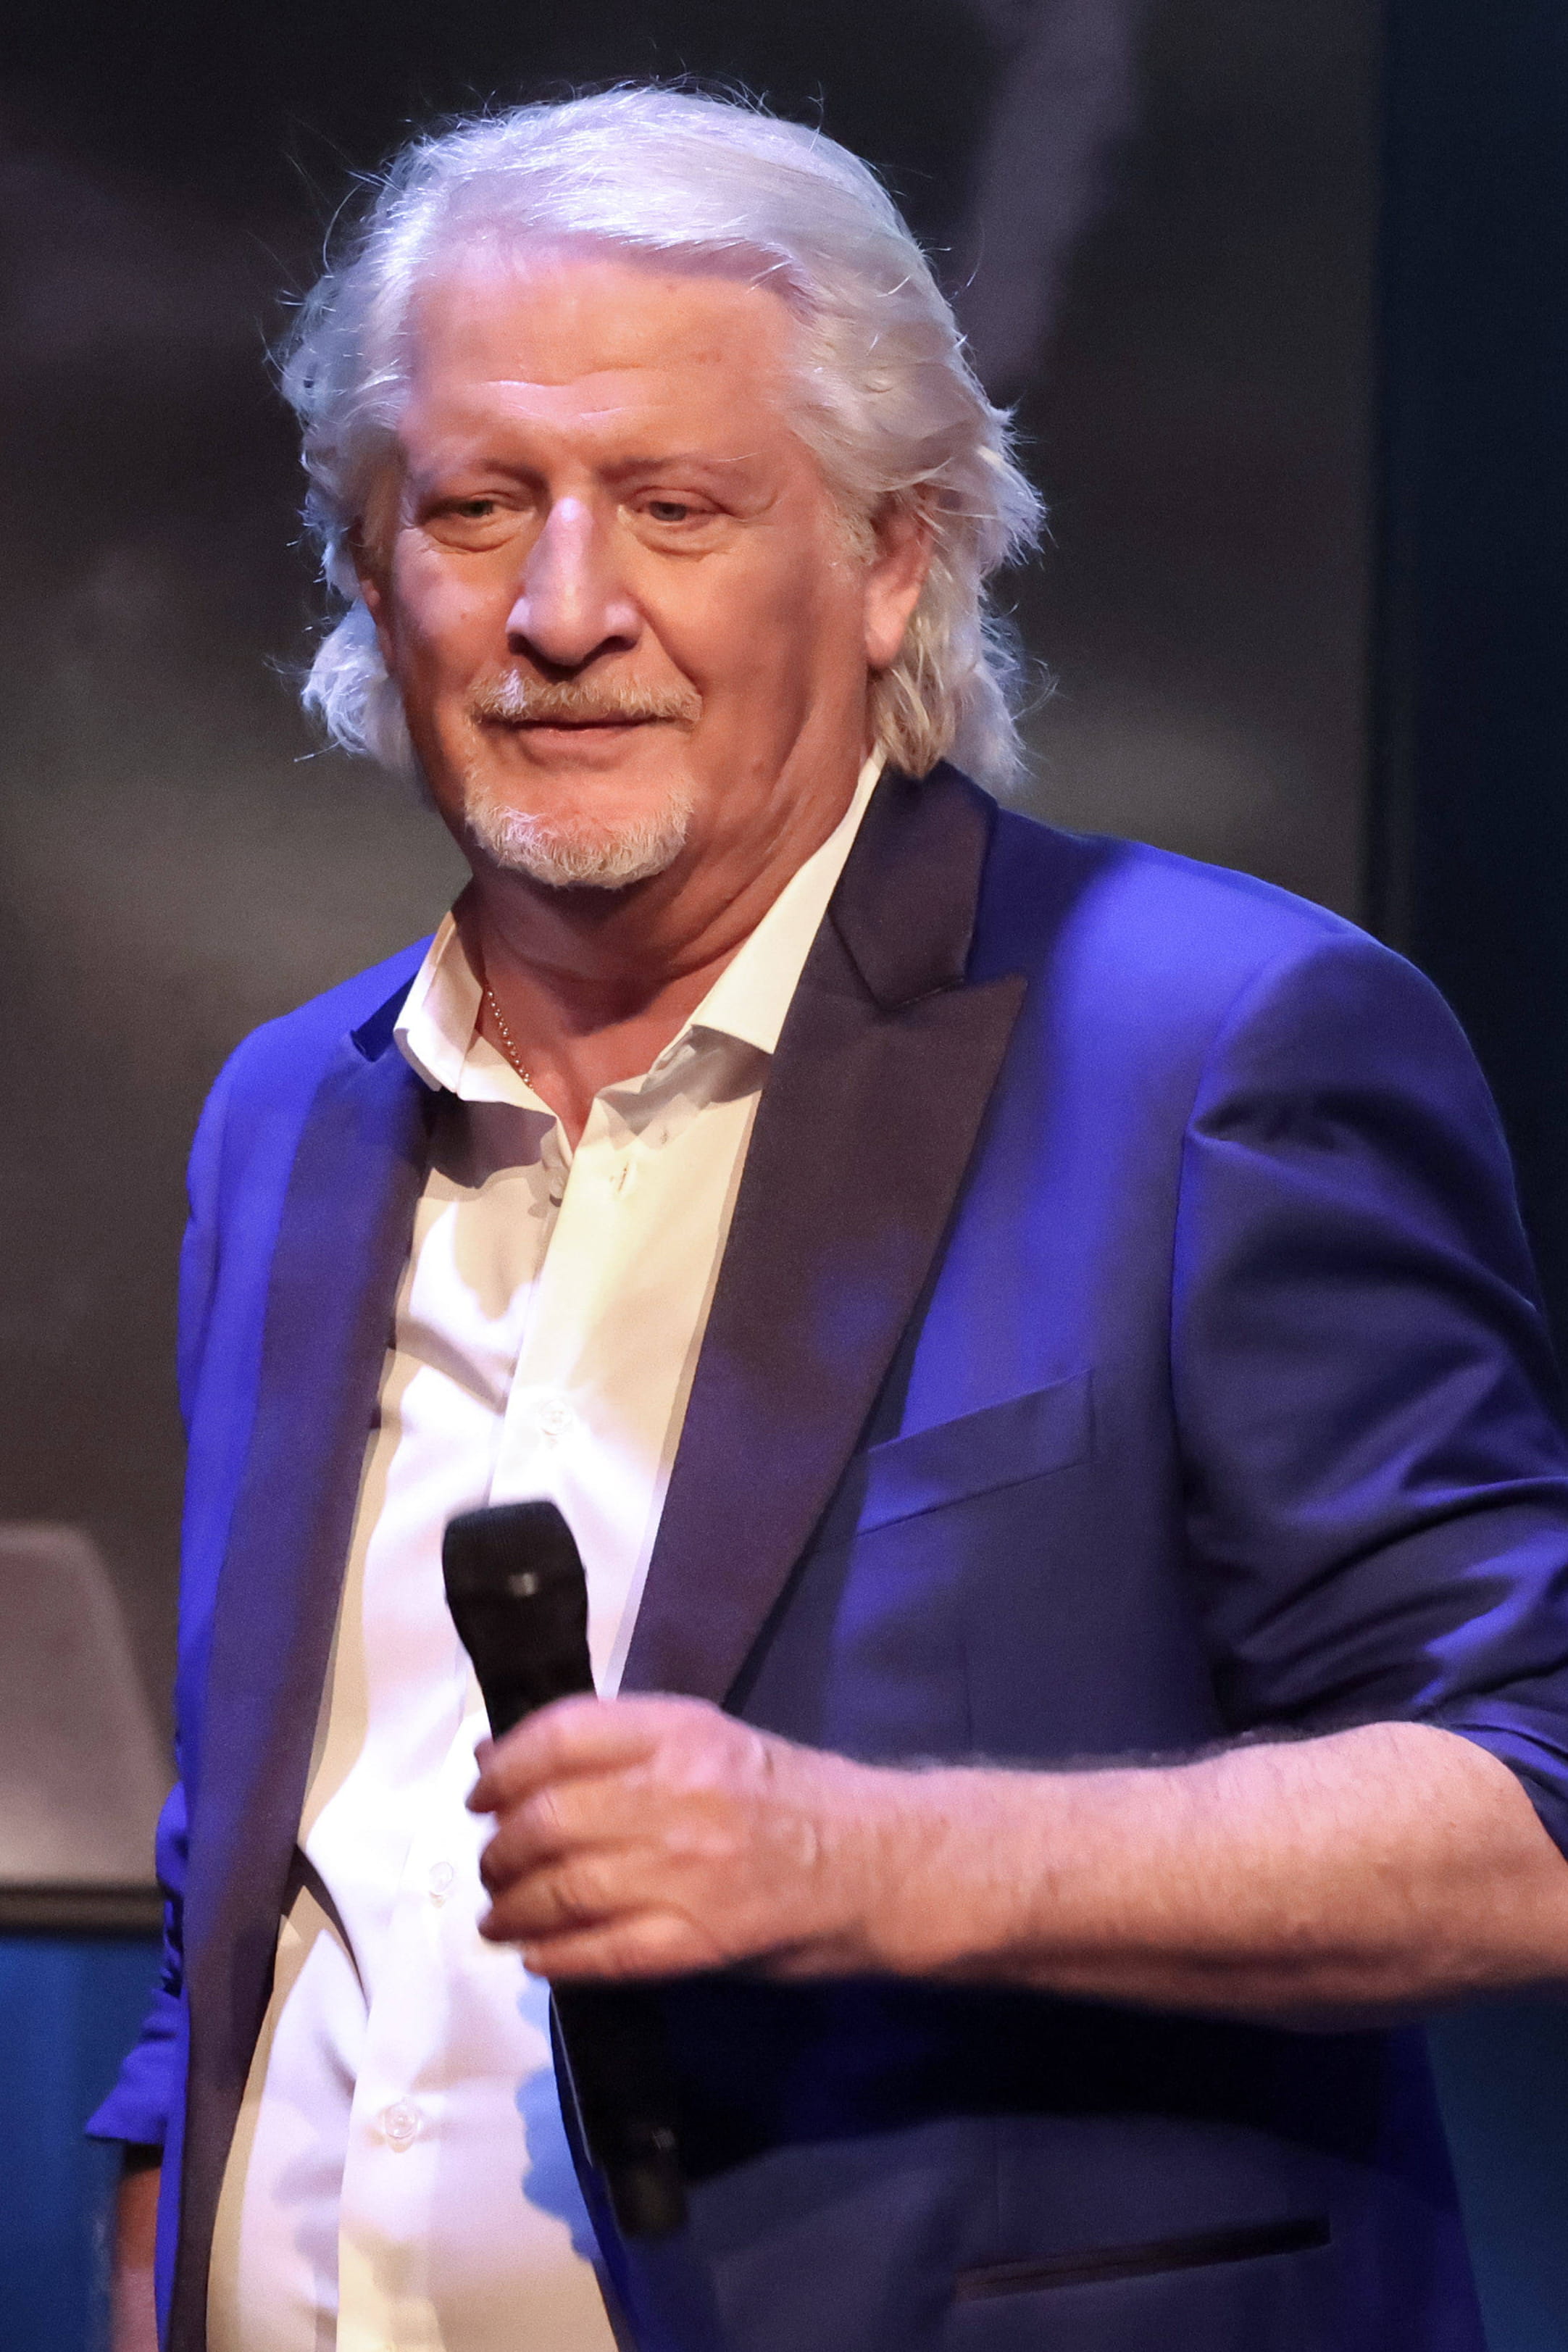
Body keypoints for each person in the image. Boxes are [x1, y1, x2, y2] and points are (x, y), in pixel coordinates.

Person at [93, 87, 1568, 2352]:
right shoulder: (289, 1113)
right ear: (368, 567)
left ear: (894, 560)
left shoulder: (1217, 1042)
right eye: (476, 505)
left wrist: (855, 1857)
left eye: (672, 507)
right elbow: (268, 1858)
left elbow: (1529, 1807)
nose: (561, 611)